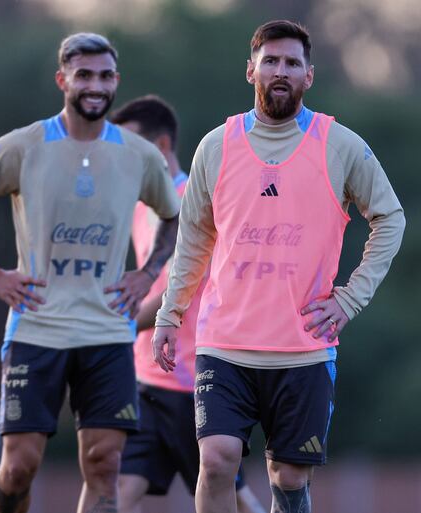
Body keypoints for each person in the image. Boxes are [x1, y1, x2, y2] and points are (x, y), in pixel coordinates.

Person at [151, 20, 405, 513]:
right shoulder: (216, 145)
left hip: (303, 348)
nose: (280, 71)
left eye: (292, 63)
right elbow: (193, 240)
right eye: (270, 61)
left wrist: (350, 298)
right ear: (251, 71)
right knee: (218, 459)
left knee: (288, 479)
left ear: (310, 75)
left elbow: (390, 219)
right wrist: (170, 313)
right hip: (225, 343)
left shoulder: (340, 145)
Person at [0, 33, 180, 513]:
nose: (95, 85)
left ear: (116, 81)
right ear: (62, 79)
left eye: (105, 76)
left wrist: (148, 272)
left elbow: (173, 215)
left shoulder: (137, 153)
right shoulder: (24, 145)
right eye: (84, 75)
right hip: (38, 325)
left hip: (108, 329)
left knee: (105, 463)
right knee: (19, 466)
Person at [110, 95, 266, 513]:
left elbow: (181, 288)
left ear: (160, 147)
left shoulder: (192, 203)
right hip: (145, 379)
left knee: (233, 495)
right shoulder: (137, 207)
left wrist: (116, 326)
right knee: (119, 491)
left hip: (192, 380)